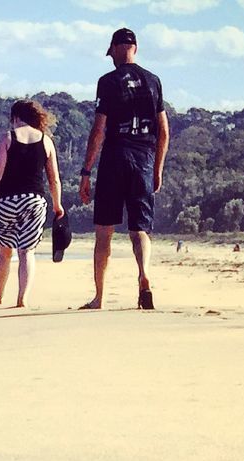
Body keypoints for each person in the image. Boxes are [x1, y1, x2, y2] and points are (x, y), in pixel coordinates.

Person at [77, 28, 169, 310]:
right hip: (143, 159)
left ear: (117, 48)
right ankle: (144, 275)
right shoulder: (153, 81)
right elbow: (164, 130)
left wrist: (85, 171)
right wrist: (157, 169)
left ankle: (99, 297)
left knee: (104, 231)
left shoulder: (108, 81)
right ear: (135, 48)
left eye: (111, 53)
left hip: (115, 158)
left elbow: (99, 129)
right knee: (140, 228)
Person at [0, 100, 65, 308]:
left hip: (6, 202)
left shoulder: (7, 137)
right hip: (34, 201)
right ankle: (22, 298)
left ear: (15, 117)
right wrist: (57, 205)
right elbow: (54, 179)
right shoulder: (46, 141)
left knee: (4, 251)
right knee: (26, 251)